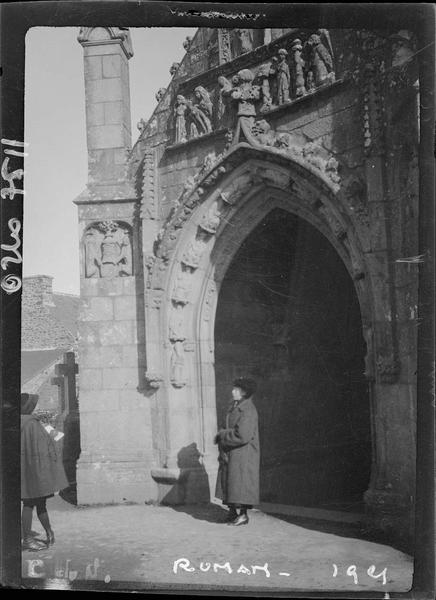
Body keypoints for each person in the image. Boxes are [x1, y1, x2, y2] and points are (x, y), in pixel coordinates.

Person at [21, 393, 69, 551]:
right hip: (35, 470)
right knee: (35, 503)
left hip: (23, 469)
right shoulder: (32, 424)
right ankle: (30, 538)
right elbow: (45, 446)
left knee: (30, 502)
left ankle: (48, 532)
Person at [214, 378, 260, 526]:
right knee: (230, 483)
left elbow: (243, 435)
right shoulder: (234, 406)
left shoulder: (248, 409)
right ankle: (232, 512)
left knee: (241, 484)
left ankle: (243, 515)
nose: (233, 391)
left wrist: (223, 435)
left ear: (244, 392)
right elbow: (227, 427)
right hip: (232, 452)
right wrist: (223, 435)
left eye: (236, 389)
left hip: (243, 454)